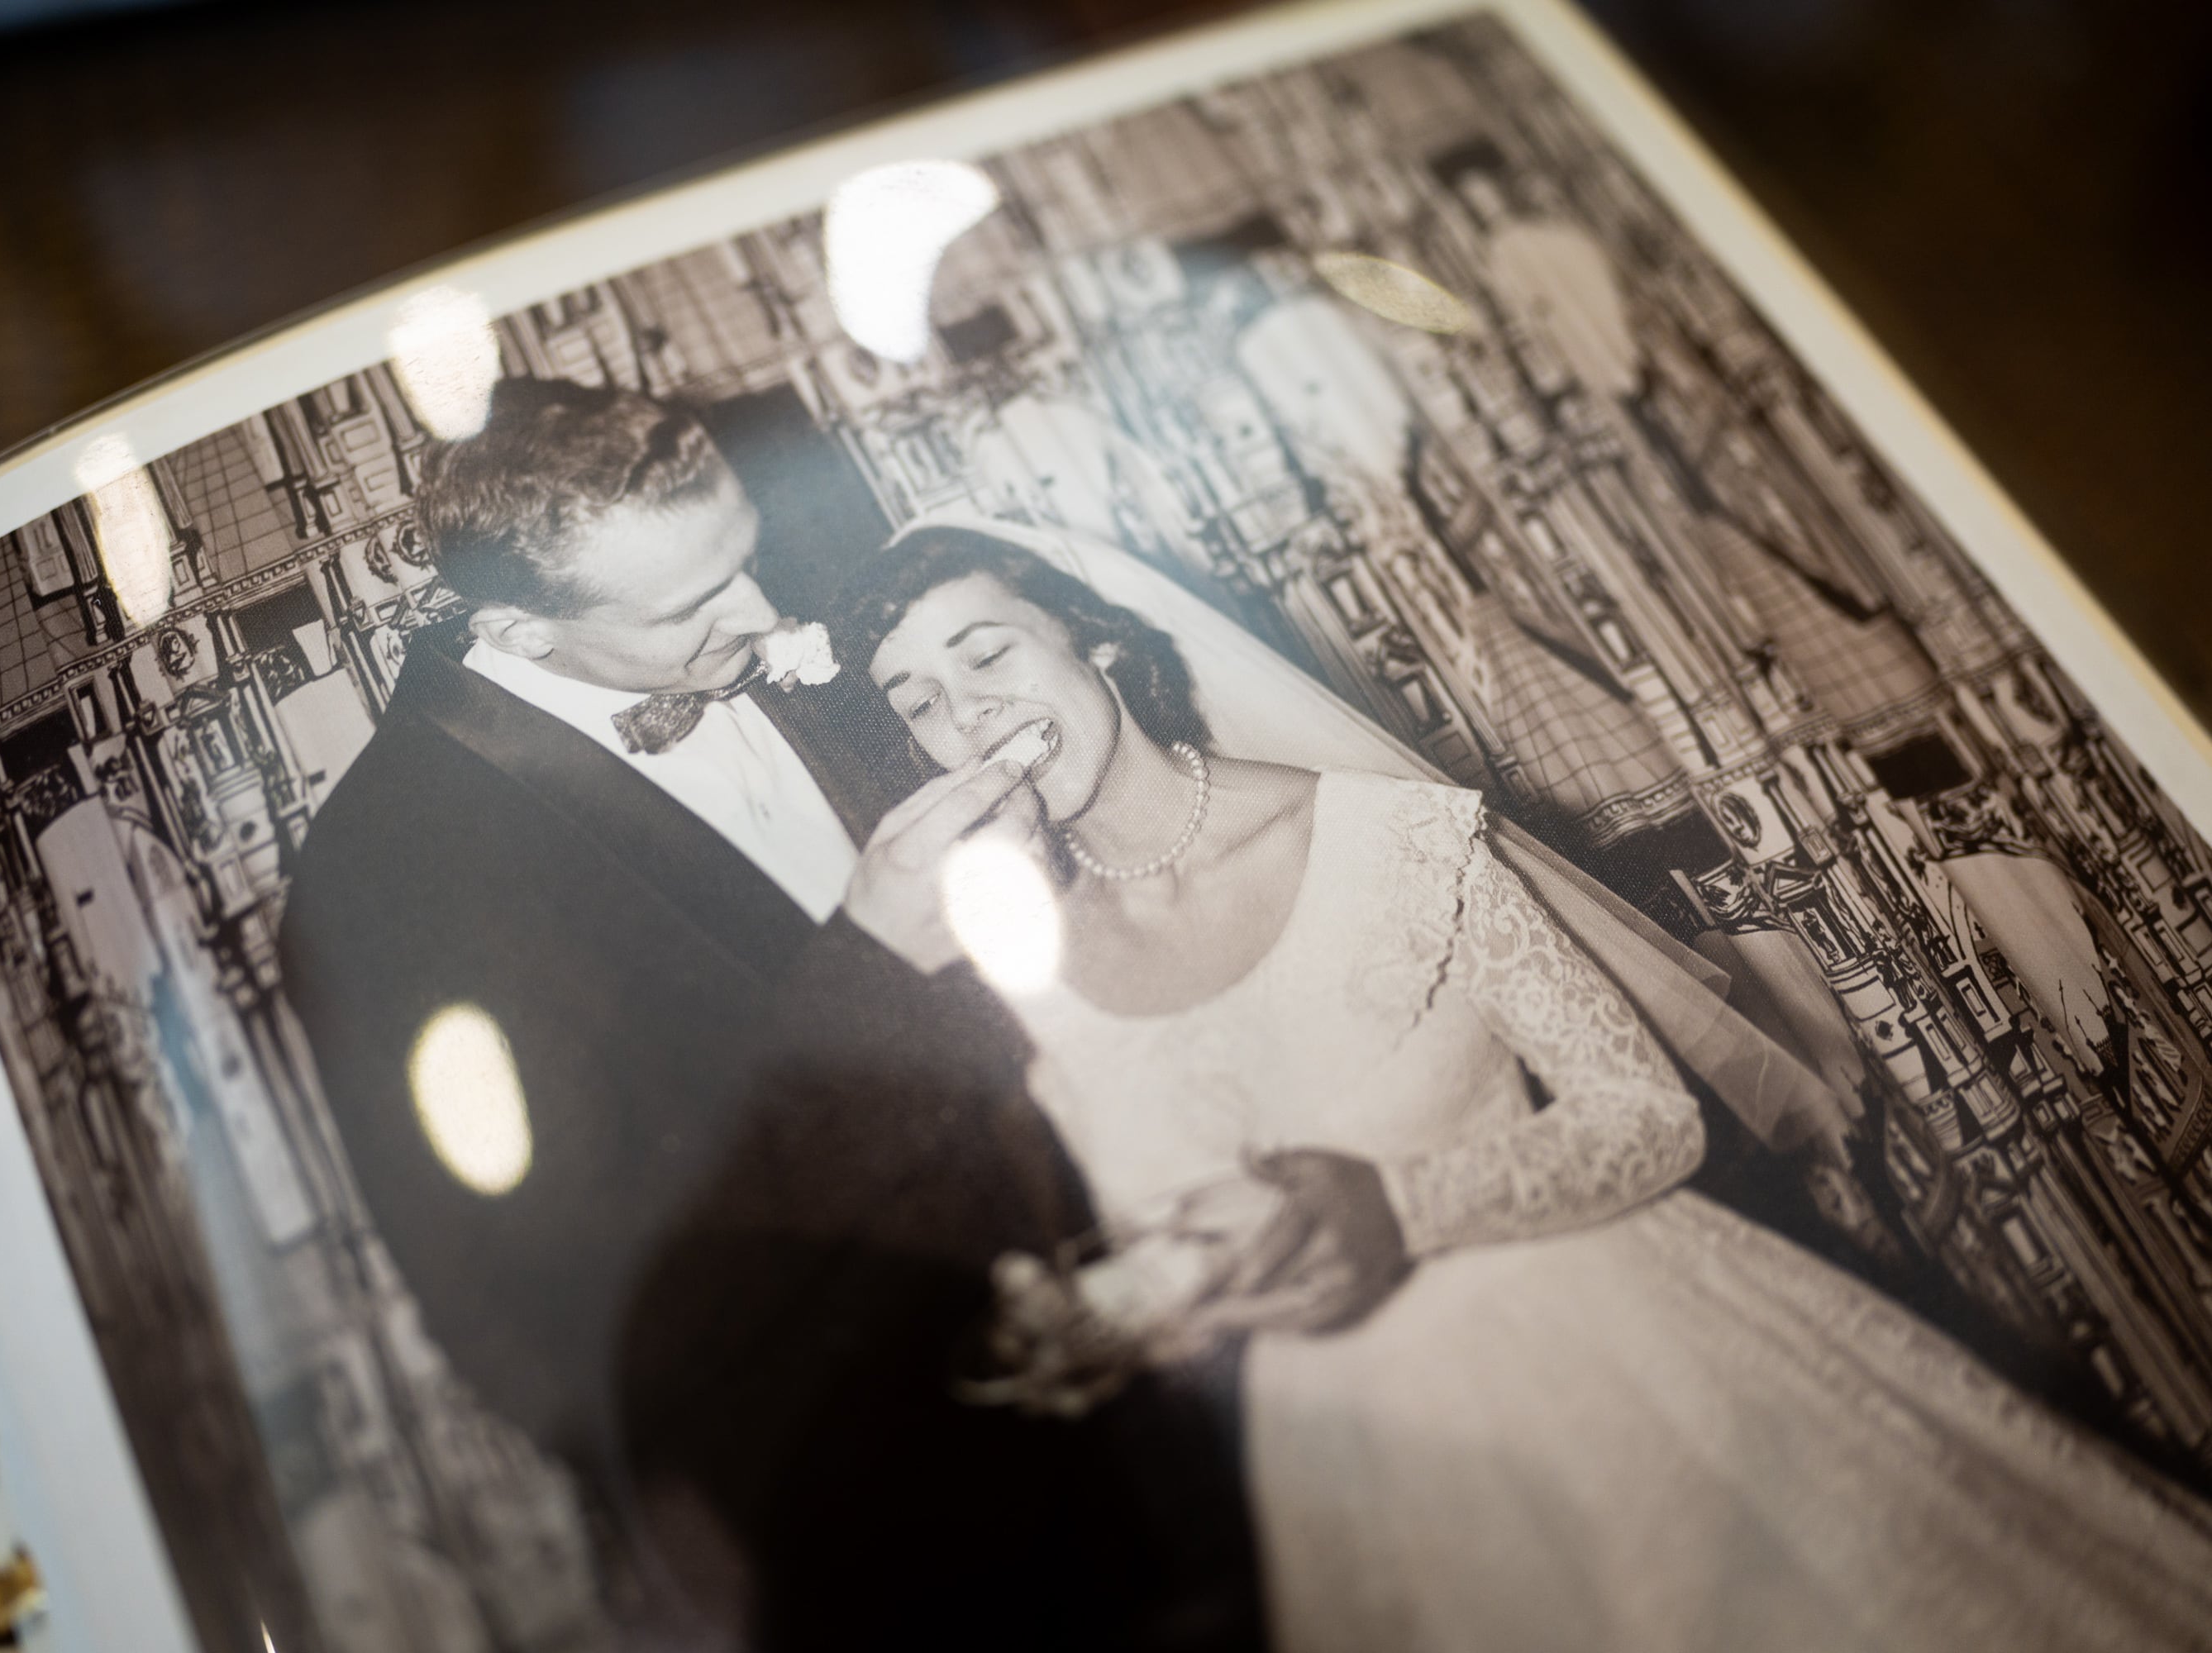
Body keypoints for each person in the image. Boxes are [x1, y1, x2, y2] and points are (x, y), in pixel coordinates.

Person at [832, 523, 2212, 1653]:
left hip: (1651, 1390)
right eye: (920, 699)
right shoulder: (1010, 959)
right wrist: (1112, 1316)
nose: (969, 713)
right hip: (1362, 1482)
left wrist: (1397, 1203)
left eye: (987, 650)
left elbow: (1650, 1120)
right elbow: (1174, 1241)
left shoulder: (1385, 839)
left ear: (1101, 643)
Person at [279, 379, 1275, 1649]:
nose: (763, 613)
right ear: (521, 634)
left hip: (1201, 1401)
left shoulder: (822, 640)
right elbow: (556, 1323)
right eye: (693, 605)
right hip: (912, 1539)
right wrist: (870, 968)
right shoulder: (391, 873)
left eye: (743, 556)